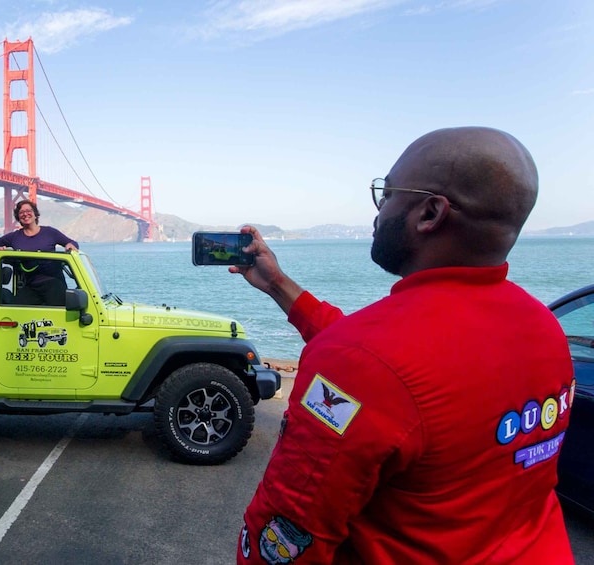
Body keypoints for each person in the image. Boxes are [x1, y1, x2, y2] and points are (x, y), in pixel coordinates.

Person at [233, 127, 574, 564]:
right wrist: (278, 285)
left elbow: (284, 541)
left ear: (430, 213)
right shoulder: (544, 327)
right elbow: (390, 370)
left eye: (388, 193)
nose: (378, 212)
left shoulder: (365, 359)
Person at [0, 199, 78, 305]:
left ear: (35, 214)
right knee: (17, 313)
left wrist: (69, 245)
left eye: (29, 211)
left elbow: (72, 243)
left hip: (54, 284)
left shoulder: (50, 232)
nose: (25, 214)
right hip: (30, 285)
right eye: (21, 212)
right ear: (18, 217)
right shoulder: (14, 236)